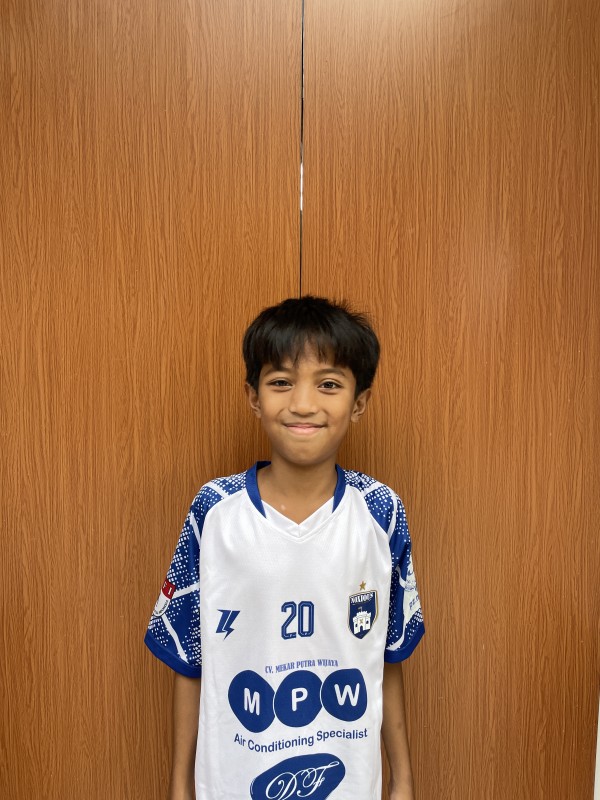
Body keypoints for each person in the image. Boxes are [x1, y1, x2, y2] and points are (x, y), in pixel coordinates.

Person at [145, 296, 425, 800]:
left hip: (349, 785)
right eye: (281, 382)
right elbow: (189, 659)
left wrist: (402, 778)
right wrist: (179, 785)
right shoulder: (214, 511)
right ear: (253, 397)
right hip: (234, 783)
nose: (303, 403)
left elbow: (385, 656)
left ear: (359, 402)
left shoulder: (381, 512)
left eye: (329, 384)